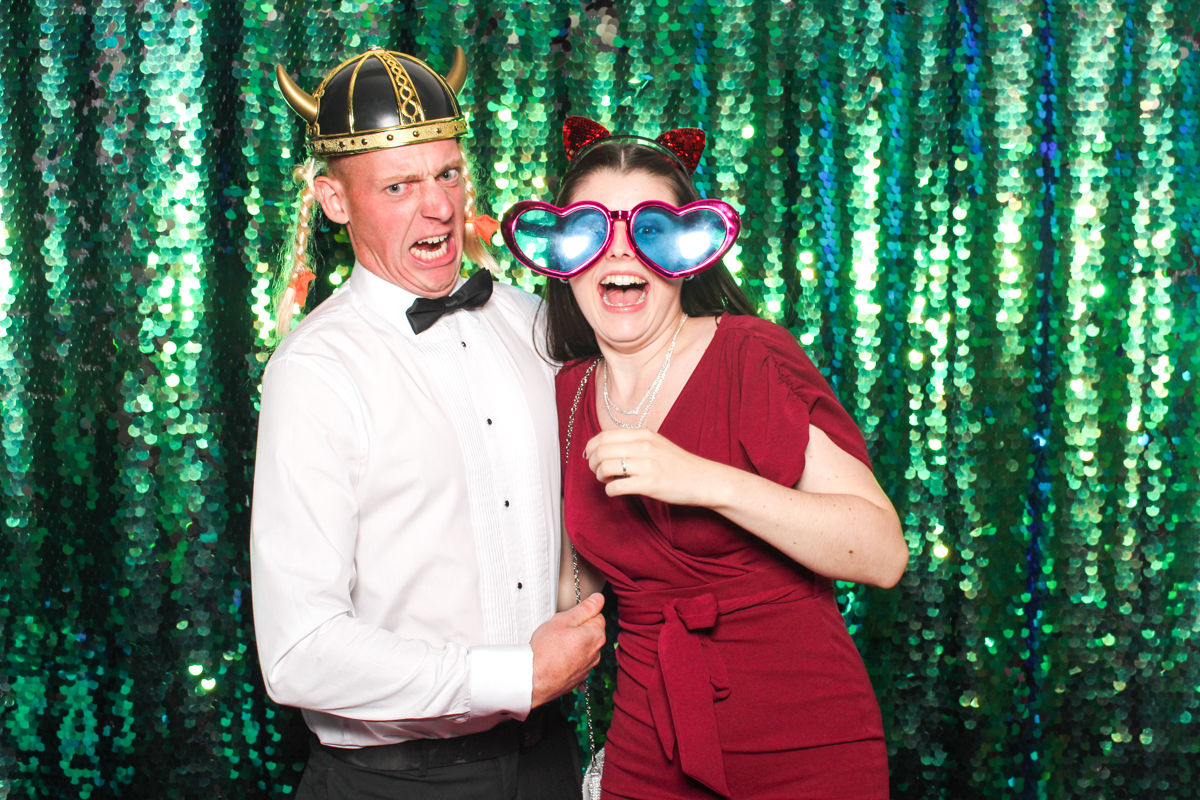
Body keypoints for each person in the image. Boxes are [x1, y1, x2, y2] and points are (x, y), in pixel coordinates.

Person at [502, 117, 910, 799]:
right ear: (562, 255)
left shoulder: (749, 354)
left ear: (691, 253)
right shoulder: (568, 395)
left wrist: (703, 480)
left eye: (652, 233)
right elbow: (574, 593)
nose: (621, 257)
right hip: (648, 740)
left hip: (805, 739)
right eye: (593, 234)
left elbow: (882, 553)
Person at [250, 49, 606, 800]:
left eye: (447, 173)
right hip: (393, 782)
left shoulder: (529, 320)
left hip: (548, 762)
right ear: (334, 200)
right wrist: (514, 674)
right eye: (399, 186)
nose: (439, 206)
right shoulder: (315, 371)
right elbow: (299, 651)